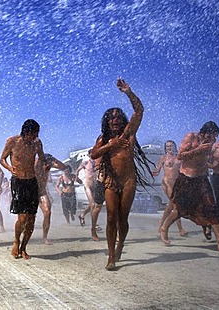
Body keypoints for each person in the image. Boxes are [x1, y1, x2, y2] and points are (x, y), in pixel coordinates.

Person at [91, 79, 153, 270]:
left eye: (118, 117)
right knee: (111, 217)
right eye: (112, 118)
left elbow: (139, 111)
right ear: (107, 122)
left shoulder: (129, 133)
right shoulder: (103, 139)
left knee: (122, 218)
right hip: (111, 181)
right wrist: (111, 145)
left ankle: (120, 244)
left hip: (128, 181)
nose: (115, 120)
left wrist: (128, 92)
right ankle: (111, 256)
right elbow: (93, 154)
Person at [160, 121, 219, 253]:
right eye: (210, 136)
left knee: (212, 208)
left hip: (202, 179)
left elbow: (206, 161)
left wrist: (215, 166)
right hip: (186, 179)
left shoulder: (211, 143)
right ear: (203, 133)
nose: (212, 139)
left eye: (214, 137)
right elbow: (180, 156)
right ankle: (164, 228)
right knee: (180, 209)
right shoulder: (191, 137)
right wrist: (197, 150)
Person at [0, 119, 45, 259]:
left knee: (31, 218)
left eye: (37, 134)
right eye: (34, 134)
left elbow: (42, 158)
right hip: (18, 181)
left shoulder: (37, 143)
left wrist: (43, 165)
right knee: (22, 217)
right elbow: (2, 159)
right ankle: (16, 241)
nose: (36, 137)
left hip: (32, 181)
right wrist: (9, 168)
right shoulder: (12, 141)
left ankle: (24, 248)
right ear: (26, 132)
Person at [152, 140, 188, 236]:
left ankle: (161, 224)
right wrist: (151, 172)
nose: (169, 148)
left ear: (175, 146)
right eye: (167, 146)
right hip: (167, 183)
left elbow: (183, 170)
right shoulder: (163, 158)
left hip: (177, 184)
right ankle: (180, 229)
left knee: (170, 206)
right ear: (165, 148)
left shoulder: (179, 158)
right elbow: (157, 171)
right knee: (176, 205)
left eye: (171, 146)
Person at [34, 153, 66, 244]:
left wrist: (55, 160)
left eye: (48, 165)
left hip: (42, 192)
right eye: (45, 164)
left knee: (47, 212)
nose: (46, 166)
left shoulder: (49, 164)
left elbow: (63, 167)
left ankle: (44, 237)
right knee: (29, 216)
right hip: (31, 191)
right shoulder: (36, 163)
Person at [75, 150, 105, 241]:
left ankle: (82, 215)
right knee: (92, 205)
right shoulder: (86, 162)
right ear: (89, 155)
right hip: (87, 185)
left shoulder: (97, 163)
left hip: (95, 185)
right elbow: (77, 170)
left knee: (95, 205)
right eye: (92, 154)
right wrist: (77, 178)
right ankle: (94, 225)